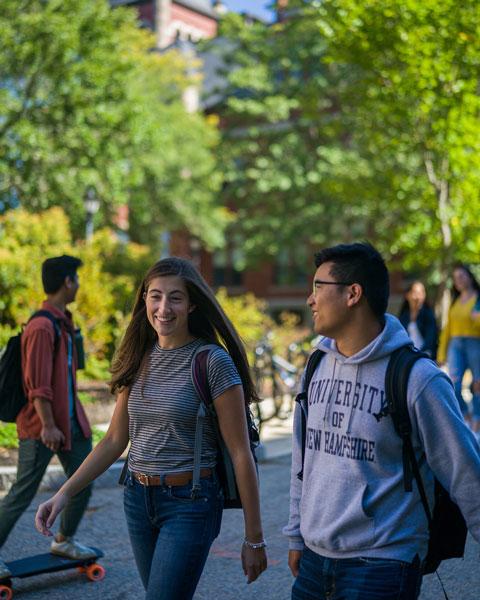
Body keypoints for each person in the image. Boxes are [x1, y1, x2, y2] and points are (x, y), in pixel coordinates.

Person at [35, 257, 267, 599]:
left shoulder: (211, 362)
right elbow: (114, 440)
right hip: (137, 499)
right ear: (144, 299)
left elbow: (240, 453)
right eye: (155, 296)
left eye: (175, 297)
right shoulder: (138, 355)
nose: (163, 307)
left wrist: (254, 538)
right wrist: (64, 493)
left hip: (190, 502)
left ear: (191, 305)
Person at [283, 243, 480, 600]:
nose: (310, 300)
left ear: (353, 294)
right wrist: (297, 534)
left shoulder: (417, 377)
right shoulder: (315, 366)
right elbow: (303, 461)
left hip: (383, 565)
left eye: (318, 287)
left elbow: (464, 469)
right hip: (314, 562)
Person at [0, 255, 94, 579]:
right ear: (67, 281)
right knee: (22, 492)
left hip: (69, 424)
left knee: (84, 480)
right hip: (43, 426)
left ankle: (64, 540)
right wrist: (49, 425)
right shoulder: (42, 326)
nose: (79, 285)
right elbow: (36, 385)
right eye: (76, 279)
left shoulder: (62, 322)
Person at [437, 264, 480, 431]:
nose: (459, 281)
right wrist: (441, 354)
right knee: (453, 383)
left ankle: (477, 417)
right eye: (455, 278)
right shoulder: (454, 302)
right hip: (455, 344)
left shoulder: (478, 299)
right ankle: (464, 415)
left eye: (462, 276)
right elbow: (447, 329)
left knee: (477, 384)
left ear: (469, 277)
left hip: (475, 343)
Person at [398, 281, 438, 359]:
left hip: (424, 355)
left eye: (422, 293)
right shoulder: (403, 316)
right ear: (407, 295)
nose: (418, 296)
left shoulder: (428, 314)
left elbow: (431, 338)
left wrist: (422, 354)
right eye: (415, 292)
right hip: (407, 355)